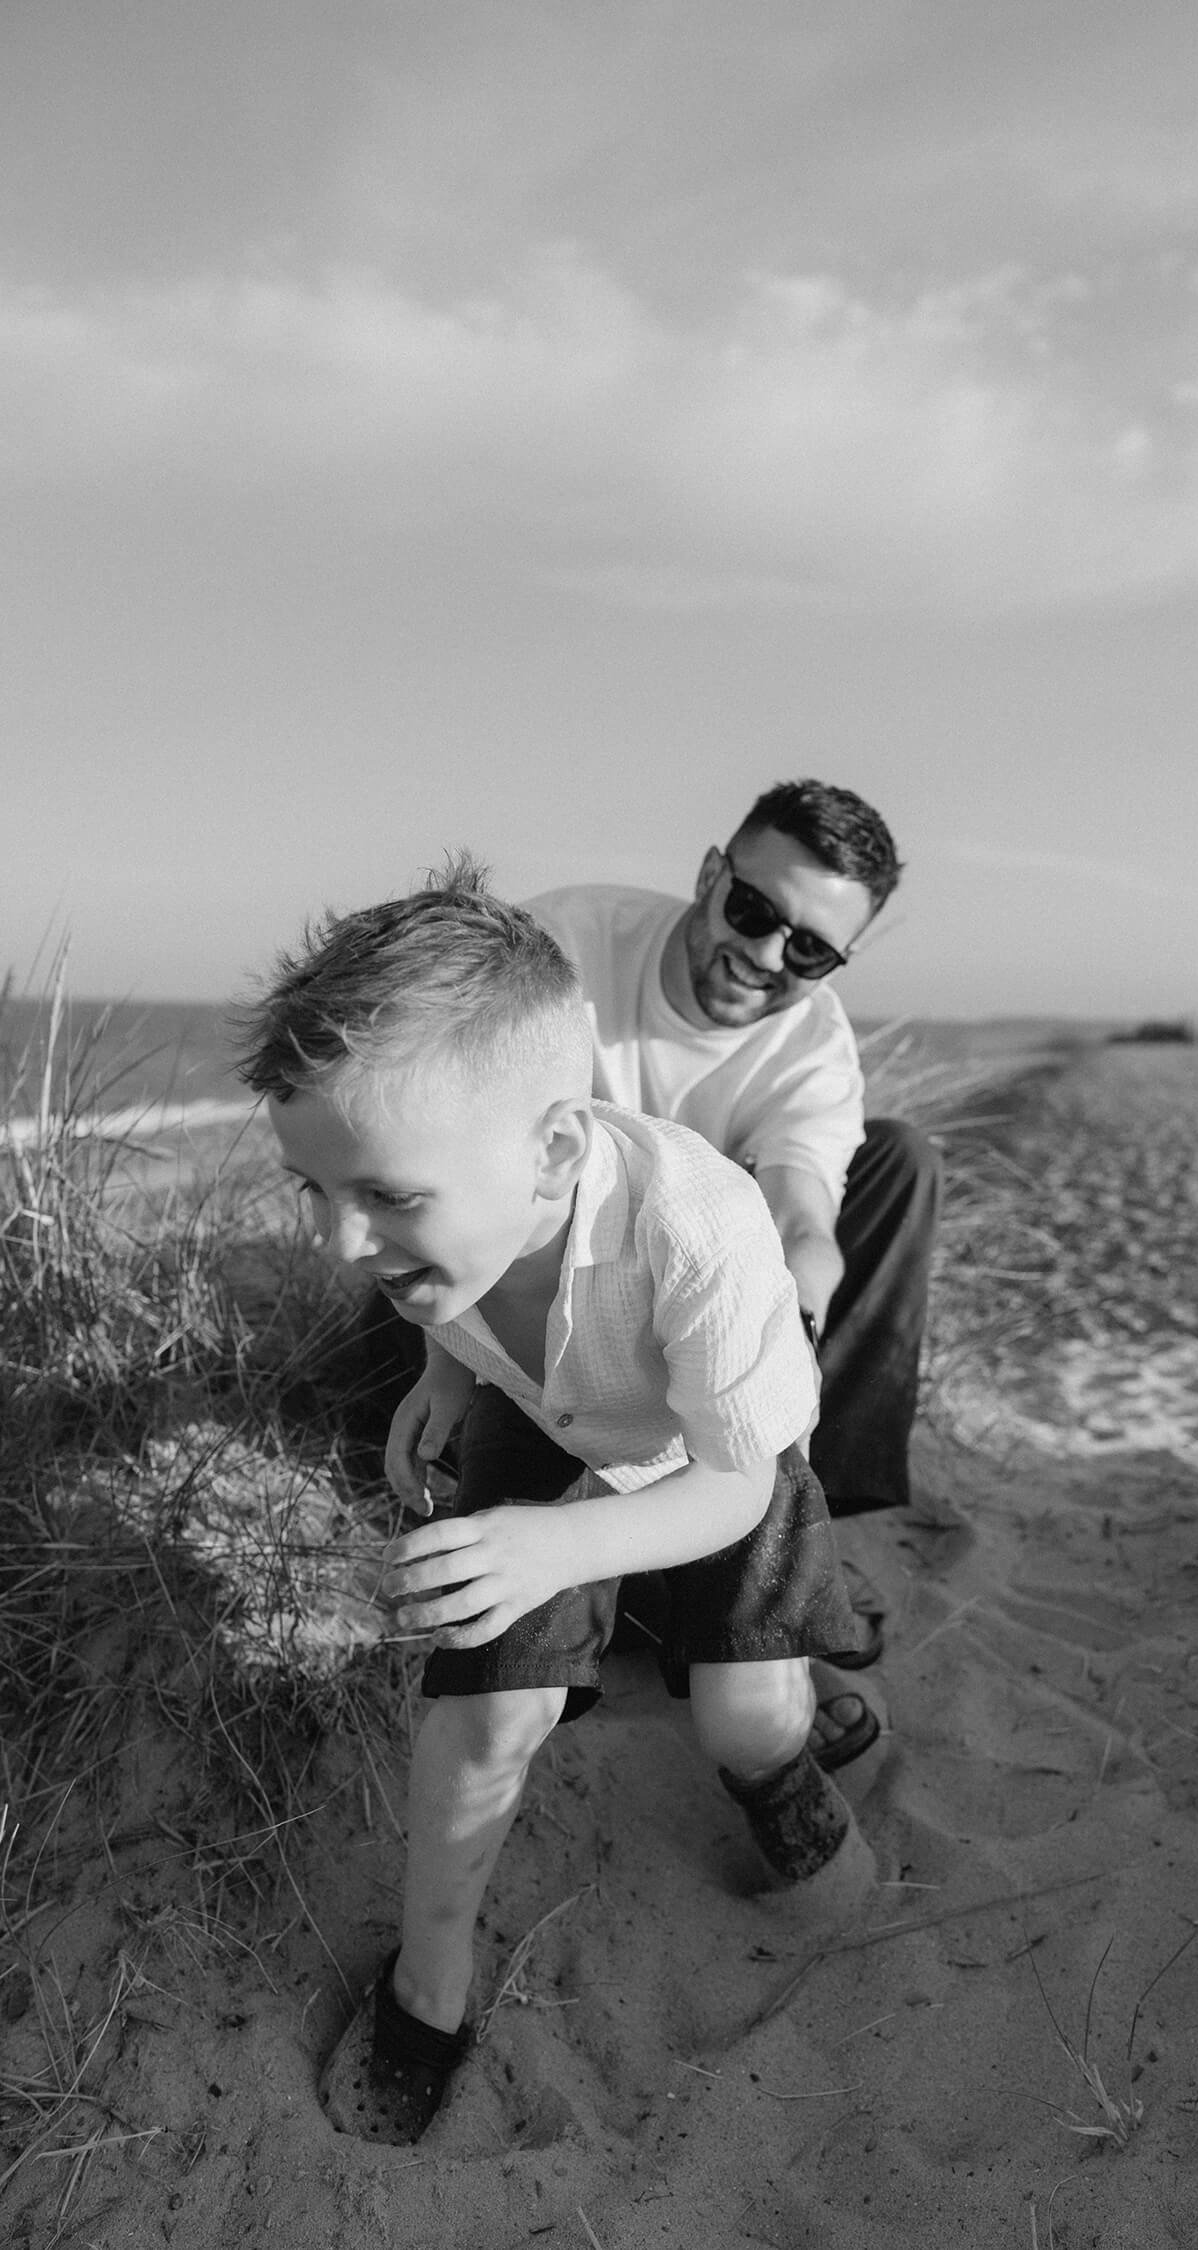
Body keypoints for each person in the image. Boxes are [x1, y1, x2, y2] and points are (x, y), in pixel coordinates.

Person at [236, 858, 874, 2147]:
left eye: (387, 1198)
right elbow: (454, 1303)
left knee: (739, 1719)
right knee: (486, 1708)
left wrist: (565, 1543)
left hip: (716, 1454)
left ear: (556, 1152)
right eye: (317, 1191)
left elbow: (735, 1479)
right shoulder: (450, 1230)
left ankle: (799, 1736)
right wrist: (436, 1374)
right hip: (541, 1418)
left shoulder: (698, 1226)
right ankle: (432, 1981)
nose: (341, 1245)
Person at [525, 781, 942, 1746]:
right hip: (538, 1280)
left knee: (897, 1162)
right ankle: (681, 1583)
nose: (764, 956)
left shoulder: (811, 1043)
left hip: (697, 1304)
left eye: (808, 949)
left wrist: (783, 1335)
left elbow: (805, 1213)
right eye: (752, 911)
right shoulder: (564, 947)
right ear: (711, 874)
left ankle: (792, 1532)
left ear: (837, 961)